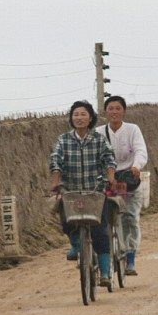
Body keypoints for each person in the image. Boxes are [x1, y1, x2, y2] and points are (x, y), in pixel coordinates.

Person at [49, 100, 117, 286]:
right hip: (71, 191)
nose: (79, 118)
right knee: (67, 222)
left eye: (83, 114)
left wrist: (110, 177)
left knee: (100, 230)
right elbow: (55, 160)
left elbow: (109, 159)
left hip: (95, 191)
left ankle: (105, 272)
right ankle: (76, 245)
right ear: (71, 118)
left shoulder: (99, 139)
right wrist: (55, 181)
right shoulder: (63, 140)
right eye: (75, 114)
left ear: (90, 118)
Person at [96, 96, 148, 276]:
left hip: (127, 179)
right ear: (105, 111)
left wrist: (137, 166)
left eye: (118, 108)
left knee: (130, 217)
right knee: (102, 219)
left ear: (124, 111)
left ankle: (130, 257)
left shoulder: (132, 129)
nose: (114, 112)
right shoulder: (98, 133)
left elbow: (140, 150)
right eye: (111, 108)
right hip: (106, 180)